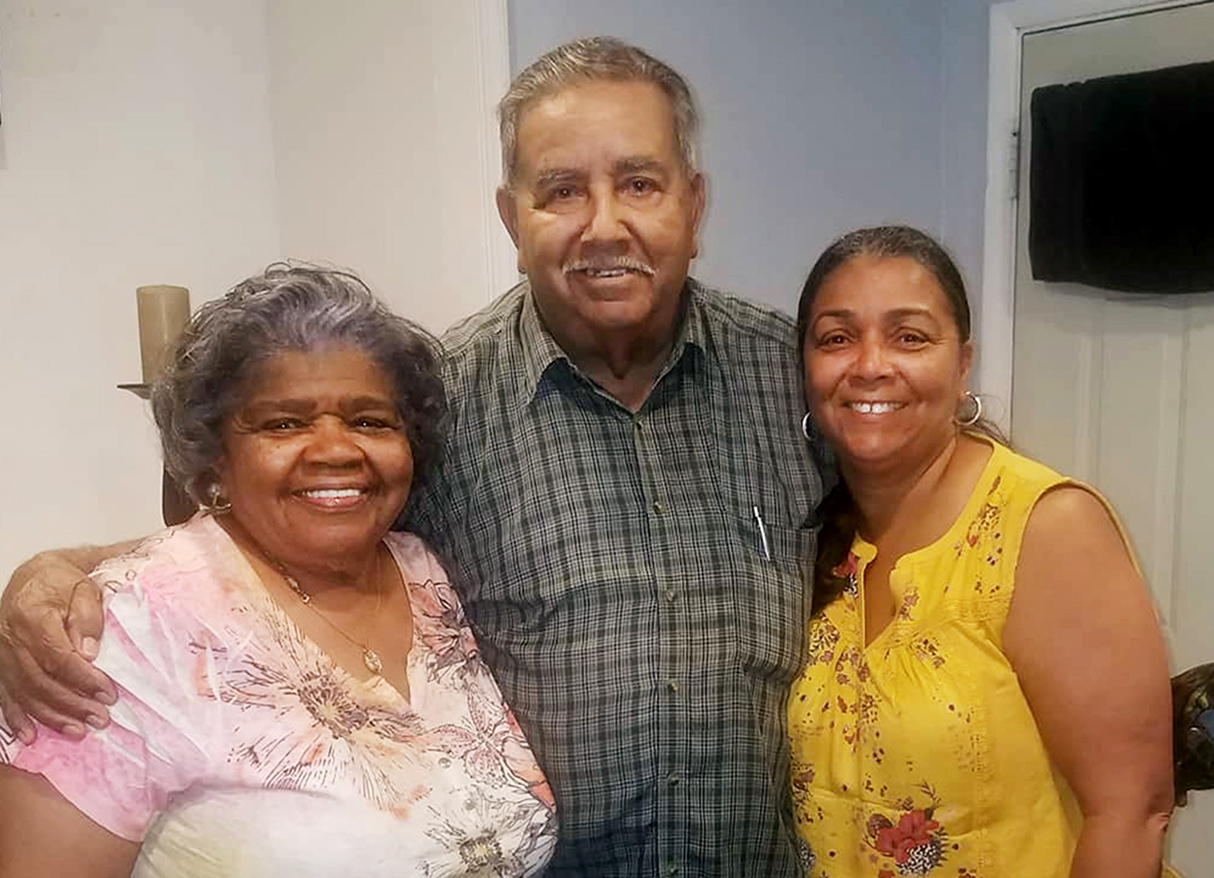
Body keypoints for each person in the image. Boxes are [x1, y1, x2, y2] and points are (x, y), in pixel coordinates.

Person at [0, 38, 824, 876]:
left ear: (695, 203)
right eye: (562, 190)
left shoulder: (799, 382)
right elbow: (262, 542)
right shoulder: (444, 403)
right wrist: (59, 575)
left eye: (639, 183)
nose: (603, 223)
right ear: (512, 217)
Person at [0, 266, 556, 877]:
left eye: (369, 420)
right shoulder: (126, 635)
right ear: (213, 456)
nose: (336, 449)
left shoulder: (424, 570)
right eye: (283, 423)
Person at [786, 225, 1175, 877]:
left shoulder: (1045, 527)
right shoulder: (813, 538)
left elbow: (1133, 809)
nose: (871, 363)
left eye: (909, 336)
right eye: (837, 337)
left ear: (962, 363)